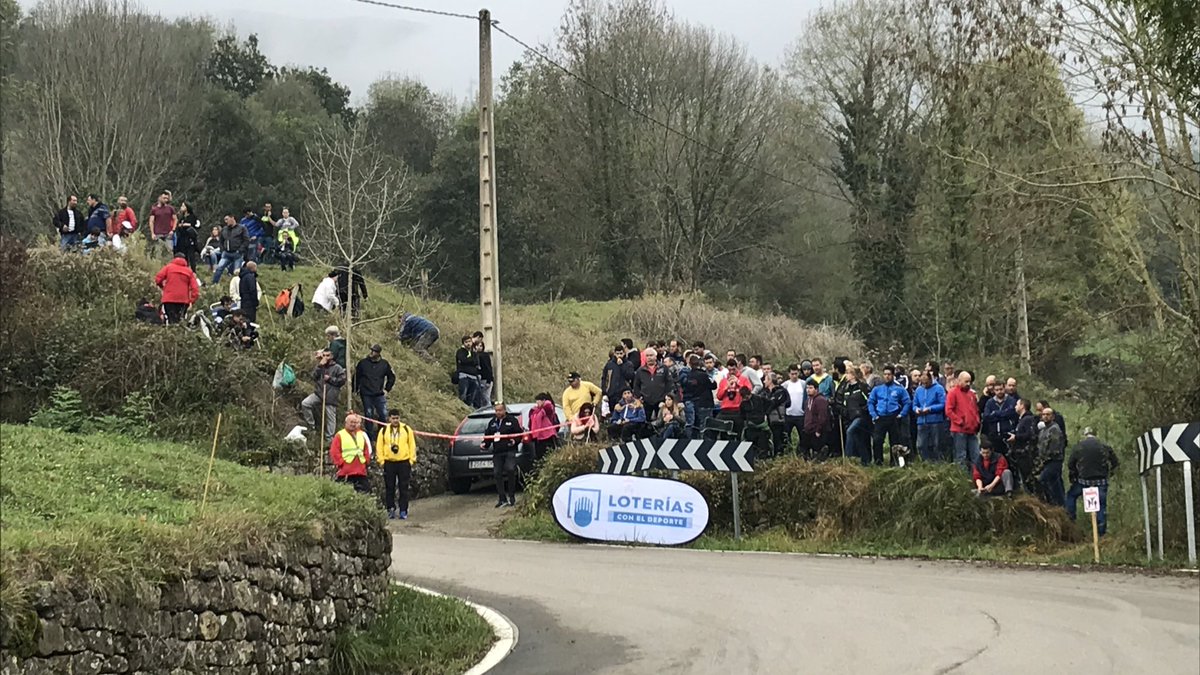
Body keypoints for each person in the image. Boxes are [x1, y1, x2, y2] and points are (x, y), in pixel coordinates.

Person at [1065, 428, 1119, 535]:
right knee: (1101, 505)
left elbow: (1071, 464)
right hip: (1101, 481)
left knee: (1071, 496)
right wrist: (1110, 473)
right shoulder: (1104, 446)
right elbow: (1115, 462)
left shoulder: (1079, 446)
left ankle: (1071, 521)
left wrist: (1075, 475)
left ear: (1085, 435)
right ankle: (1101, 532)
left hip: (1084, 481)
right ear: (1095, 435)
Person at [867, 365, 912, 465]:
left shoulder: (899, 389)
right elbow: (870, 402)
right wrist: (874, 415)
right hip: (880, 416)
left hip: (894, 416)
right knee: (877, 440)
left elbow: (907, 402)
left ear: (893, 376)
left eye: (889, 374)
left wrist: (902, 414)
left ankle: (894, 462)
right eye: (885, 374)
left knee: (895, 442)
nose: (887, 376)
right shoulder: (877, 389)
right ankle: (878, 461)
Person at [482, 402, 523, 507]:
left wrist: (515, 441)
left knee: (510, 470)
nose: (498, 412)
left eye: (500, 410)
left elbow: (519, 434)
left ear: (504, 410)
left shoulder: (512, 421)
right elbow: (488, 436)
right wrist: (485, 445)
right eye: (496, 410)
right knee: (497, 473)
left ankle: (512, 496)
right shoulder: (492, 422)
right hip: (497, 452)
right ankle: (502, 498)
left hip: (509, 450)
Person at [376, 410, 416, 519]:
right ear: (389, 419)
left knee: (404, 487)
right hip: (389, 462)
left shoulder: (406, 429)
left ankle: (403, 510)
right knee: (390, 487)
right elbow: (379, 446)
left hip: (403, 462)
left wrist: (411, 460)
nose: (395, 420)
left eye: (397, 418)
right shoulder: (384, 430)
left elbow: (412, 445)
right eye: (393, 418)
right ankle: (390, 509)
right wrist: (381, 461)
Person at [301, 349, 346, 444]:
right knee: (305, 403)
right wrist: (319, 366)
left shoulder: (337, 368)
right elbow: (314, 377)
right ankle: (311, 426)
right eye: (324, 355)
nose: (326, 357)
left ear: (332, 356)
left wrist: (330, 379)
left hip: (331, 396)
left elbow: (342, 381)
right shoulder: (320, 366)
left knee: (330, 417)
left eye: (328, 355)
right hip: (319, 393)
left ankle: (329, 438)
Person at [355, 344, 395, 439]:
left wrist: (387, 389)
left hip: (379, 393)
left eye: (375, 351)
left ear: (378, 353)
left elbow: (391, 377)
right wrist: (355, 389)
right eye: (372, 350)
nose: (372, 353)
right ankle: (370, 436)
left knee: (383, 414)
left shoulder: (384, 364)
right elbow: (356, 377)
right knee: (368, 414)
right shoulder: (363, 363)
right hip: (366, 393)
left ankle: (381, 434)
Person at [946, 371, 982, 471]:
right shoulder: (953, 393)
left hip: (972, 429)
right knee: (961, 455)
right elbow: (949, 410)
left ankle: (977, 477)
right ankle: (962, 478)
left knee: (976, 455)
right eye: (966, 381)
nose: (968, 384)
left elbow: (975, 410)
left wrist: (977, 422)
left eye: (969, 382)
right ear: (959, 380)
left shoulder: (971, 394)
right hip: (959, 430)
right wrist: (960, 422)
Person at [836, 365, 872, 464]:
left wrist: (863, 411)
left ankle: (848, 458)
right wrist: (843, 411)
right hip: (850, 417)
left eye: (848, 373)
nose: (846, 375)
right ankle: (865, 460)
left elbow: (869, 400)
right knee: (858, 438)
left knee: (850, 432)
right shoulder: (846, 388)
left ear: (853, 375)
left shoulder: (862, 386)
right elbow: (842, 402)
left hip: (861, 417)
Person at [329, 413, 371, 493]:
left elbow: (366, 449)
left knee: (366, 492)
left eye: (355, 422)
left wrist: (366, 461)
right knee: (344, 492)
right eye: (351, 422)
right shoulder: (340, 435)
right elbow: (334, 451)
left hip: (360, 470)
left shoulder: (361, 434)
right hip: (346, 470)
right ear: (346, 423)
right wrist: (341, 463)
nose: (353, 424)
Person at [154, 253, 200, 325]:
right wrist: (192, 301)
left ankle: (171, 334)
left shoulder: (168, 268)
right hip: (183, 301)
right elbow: (195, 289)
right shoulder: (189, 271)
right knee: (180, 321)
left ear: (174, 259)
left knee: (171, 320)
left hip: (169, 299)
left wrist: (163, 287)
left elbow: (158, 279)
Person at [913, 371, 947, 462]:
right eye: (923, 381)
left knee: (936, 444)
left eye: (926, 381)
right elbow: (914, 404)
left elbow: (943, 404)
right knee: (921, 444)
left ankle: (938, 462)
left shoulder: (939, 388)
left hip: (935, 420)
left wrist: (930, 409)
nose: (924, 383)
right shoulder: (919, 390)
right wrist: (916, 409)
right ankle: (925, 462)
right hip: (921, 420)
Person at [679, 355, 716, 439]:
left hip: (695, 402)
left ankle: (693, 441)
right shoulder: (703, 375)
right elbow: (713, 385)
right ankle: (705, 444)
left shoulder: (688, 376)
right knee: (706, 425)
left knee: (695, 425)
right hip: (706, 402)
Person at [1035, 406, 1066, 506]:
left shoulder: (1055, 429)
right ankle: (1058, 504)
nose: (1045, 417)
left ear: (1052, 416)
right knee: (1054, 484)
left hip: (1053, 461)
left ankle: (1054, 503)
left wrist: (1043, 460)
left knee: (1043, 480)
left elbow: (1054, 449)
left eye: (1048, 414)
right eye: (1043, 414)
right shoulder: (1044, 430)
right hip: (1045, 461)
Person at [1006, 398, 1039, 491]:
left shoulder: (1027, 419)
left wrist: (1016, 437)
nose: (1015, 406)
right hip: (1021, 454)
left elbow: (1029, 434)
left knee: (1027, 477)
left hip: (1026, 454)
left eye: (1017, 404)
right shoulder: (1022, 419)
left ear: (1022, 406)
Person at [633, 349, 675, 418]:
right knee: (645, 422)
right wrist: (639, 397)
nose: (649, 357)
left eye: (651, 355)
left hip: (661, 401)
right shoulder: (640, 371)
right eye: (647, 356)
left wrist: (666, 397)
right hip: (646, 401)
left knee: (661, 421)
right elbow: (636, 385)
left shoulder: (664, 368)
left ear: (655, 356)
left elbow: (669, 383)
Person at [715, 359, 751, 436]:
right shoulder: (724, 381)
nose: (731, 372)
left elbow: (748, 392)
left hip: (738, 410)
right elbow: (719, 396)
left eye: (733, 369)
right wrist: (726, 387)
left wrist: (738, 382)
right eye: (729, 370)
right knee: (722, 433)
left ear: (737, 368)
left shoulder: (743, 379)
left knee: (738, 433)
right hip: (725, 410)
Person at [212, 214, 248, 284]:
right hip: (226, 253)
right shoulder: (224, 229)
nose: (226, 221)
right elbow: (221, 241)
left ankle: (237, 286)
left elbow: (246, 240)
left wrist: (240, 250)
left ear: (232, 218)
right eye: (225, 220)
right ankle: (214, 284)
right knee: (219, 268)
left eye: (227, 219)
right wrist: (222, 250)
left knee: (236, 272)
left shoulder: (242, 228)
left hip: (237, 253)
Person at [982, 386, 1018, 455]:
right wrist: (1003, 415)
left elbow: (1011, 413)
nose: (999, 391)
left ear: (1004, 389)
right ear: (994, 391)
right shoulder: (990, 402)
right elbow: (986, 416)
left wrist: (995, 413)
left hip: (1007, 434)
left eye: (1001, 389)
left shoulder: (1011, 401)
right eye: (997, 390)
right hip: (993, 435)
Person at [801, 380, 831, 460]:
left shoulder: (820, 400)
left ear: (816, 389)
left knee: (818, 451)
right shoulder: (807, 401)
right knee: (805, 450)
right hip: (808, 429)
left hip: (817, 430)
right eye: (807, 388)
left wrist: (818, 430)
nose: (808, 390)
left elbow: (822, 417)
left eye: (811, 388)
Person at [764, 373, 791, 456]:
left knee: (779, 440)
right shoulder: (766, 392)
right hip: (769, 421)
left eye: (765, 379)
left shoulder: (781, 391)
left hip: (778, 420)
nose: (764, 381)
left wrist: (767, 411)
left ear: (770, 381)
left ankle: (780, 456)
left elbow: (775, 403)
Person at [782, 365, 808, 452]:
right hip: (789, 414)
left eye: (796, 374)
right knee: (786, 435)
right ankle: (787, 450)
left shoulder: (803, 384)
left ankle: (802, 451)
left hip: (801, 414)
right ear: (789, 374)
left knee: (803, 436)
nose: (794, 376)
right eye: (792, 374)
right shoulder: (785, 385)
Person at [528, 393, 560, 461]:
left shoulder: (547, 407)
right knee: (540, 456)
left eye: (538, 401)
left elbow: (549, 407)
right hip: (538, 437)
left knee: (549, 454)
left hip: (548, 435)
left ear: (543, 400)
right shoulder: (535, 410)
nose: (537, 403)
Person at [454, 335, 482, 407]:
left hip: (473, 377)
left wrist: (470, 361)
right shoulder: (460, 351)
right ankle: (461, 408)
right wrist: (471, 361)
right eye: (466, 342)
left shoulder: (474, 353)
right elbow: (463, 360)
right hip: (464, 376)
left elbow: (476, 362)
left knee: (471, 398)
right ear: (463, 343)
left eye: (469, 341)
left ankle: (468, 409)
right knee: (463, 395)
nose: (468, 343)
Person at [147, 191, 177, 258]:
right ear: (160, 198)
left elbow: (175, 219)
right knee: (158, 252)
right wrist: (152, 233)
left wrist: (173, 230)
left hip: (168, 233)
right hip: (158, 233)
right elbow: (151, 221)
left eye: (167, 198)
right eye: (164, 198)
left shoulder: (170, 208)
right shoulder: (154, 209)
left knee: (170, 251)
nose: (165, 199)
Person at [174, 202, 200, 270]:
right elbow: (178, 225)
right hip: (182, 238)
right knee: (183, 255)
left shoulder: (193, 216)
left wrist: (187, 225)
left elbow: (196, 225)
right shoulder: (181, 217)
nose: (181, 207)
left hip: (190, 238)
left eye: (183, 206)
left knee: (191, 256)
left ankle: (193, 271)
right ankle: (184, 269)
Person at [473, 332, 494, 408]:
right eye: (478, 346)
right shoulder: (474, 355)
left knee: (485, 397)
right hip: (480, 378)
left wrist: (489, 380)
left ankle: (489, 410)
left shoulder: (484, 355)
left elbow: (488, 367)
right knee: (481, 397)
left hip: (485, 378)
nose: (479, 347)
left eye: (481, 346)